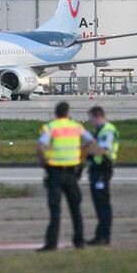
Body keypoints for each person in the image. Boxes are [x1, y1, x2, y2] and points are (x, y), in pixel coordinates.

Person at [37, 102, 95, 252]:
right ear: (68, 113)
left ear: (56, 113)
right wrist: (81, 158)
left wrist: (45, 164)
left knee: (55, 210)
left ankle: (51, 244)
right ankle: (79, 241)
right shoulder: (76, 126)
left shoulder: (51, 127)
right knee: (76, 208)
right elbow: (90, 142)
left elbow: (41, 146)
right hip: (71, 172)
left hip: (55, 172)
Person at [86, 106, 119, 246]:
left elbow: (102, 151)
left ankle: (105, 236)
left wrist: (88, 147)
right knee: (99, 204)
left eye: (91, 118)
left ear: (97, 116)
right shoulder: (99, 131)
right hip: (96, 170)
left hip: (102, 170)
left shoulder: (108, 130)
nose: (91, 121)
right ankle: (100, 235)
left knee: (103, 204)